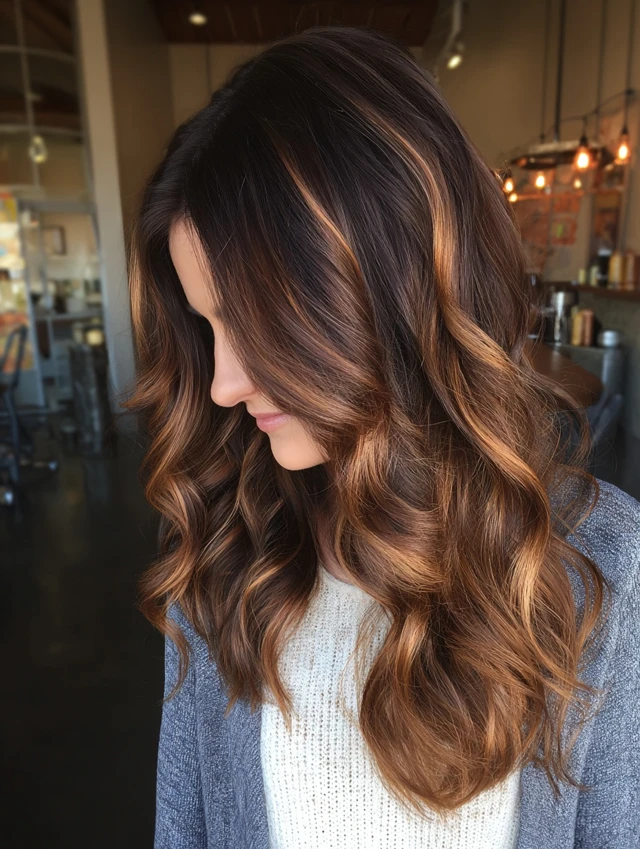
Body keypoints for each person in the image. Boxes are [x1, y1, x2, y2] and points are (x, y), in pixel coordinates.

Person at [125, 25, 640, 849]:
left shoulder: (601, 565)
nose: (222, 384)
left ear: (384, 292)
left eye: (253, 323)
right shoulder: (223, 553)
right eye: (207, 326)